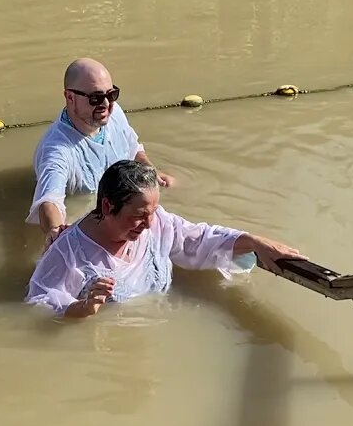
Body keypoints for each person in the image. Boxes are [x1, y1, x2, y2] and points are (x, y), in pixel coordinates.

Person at [25, 160, 304, 319]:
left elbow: (199, 240)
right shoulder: (69, 253)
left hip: (159, 320)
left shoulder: (157, 222)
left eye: (153, 212)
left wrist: (255, 242)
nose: (148, 224)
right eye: (139, 215)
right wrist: (80, 308)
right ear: (108, 207)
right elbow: (37, 303)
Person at [27, 58, 175, 250]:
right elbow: (49, 200)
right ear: (70, 98)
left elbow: (133, 147)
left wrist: (151, 170)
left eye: (111, 94)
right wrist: (56, 233)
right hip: (90, 216)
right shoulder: (57, 149)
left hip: (125, 213)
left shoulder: (114, 113)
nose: (106, 104)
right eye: (95, 98)